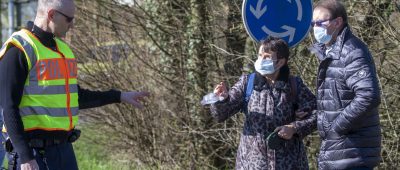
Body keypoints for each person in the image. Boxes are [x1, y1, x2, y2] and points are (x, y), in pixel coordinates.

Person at [0, 0, 150, 169]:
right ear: (51, 15)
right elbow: (8, 107)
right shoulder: (19, 49)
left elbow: (76, 97)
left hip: (64, 151)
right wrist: (26, 157)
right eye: (69, 19)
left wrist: (120, 96)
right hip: (33, 154)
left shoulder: (63, 50)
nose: (72, 25)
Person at [210, 37, 317, 169]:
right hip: (251, 164)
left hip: (289, 164)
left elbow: (318, 114)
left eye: (266, 57)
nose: (261, 60)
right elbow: (220, 115)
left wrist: (294, 128)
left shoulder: (295, 85)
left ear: (280, 62)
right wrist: (221, 99)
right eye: (260, 55)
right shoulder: (247, 83)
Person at [309, 0, 381, 169]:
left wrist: (336, 128)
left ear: (338, 22)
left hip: (352, 152)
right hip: (338, 152)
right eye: (313, 23)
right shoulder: (329, 53)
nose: (315, 28)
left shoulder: (352, 51)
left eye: (320, 23)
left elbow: (369, 96)